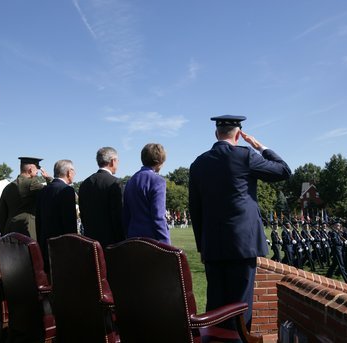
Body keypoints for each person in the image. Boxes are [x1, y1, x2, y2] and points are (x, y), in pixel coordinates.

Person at [189, 115, 291, 333]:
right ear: (238, 134)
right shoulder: (245, 155)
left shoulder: (198, 163)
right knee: (241, 306)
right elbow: (283, 171)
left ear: (216, 134)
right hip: (242, 245)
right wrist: (260, 146)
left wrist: (202, 246)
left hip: (212, 245)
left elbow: (195, 209)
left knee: (215, 305)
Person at [36, 159, 77, 271]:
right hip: (62, 247)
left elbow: (38, 221)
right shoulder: (67, 190)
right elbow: (70, 223)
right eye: (74, 171)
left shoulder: (42, 191)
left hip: (45, 246)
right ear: (69, 172)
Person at [79, 147, 125, 247]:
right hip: (111, 243)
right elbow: (118, 216)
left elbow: (83, 215)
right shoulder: (115, 183)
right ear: (113, 161)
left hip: (90, 242)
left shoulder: (85, 184)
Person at [123, 143, 169, 243]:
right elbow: (158, 216)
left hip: (133, 238)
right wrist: (166, 243)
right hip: (152, 241)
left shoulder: (130, 181)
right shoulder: (158, 181)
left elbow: (126, 214)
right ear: (159, 161)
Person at [0, 157, 52, 239]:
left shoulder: (8, 187)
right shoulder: (31, 183)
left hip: (9, 230)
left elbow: (1, 213)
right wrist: (48, 179)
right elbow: (51, 192)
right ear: (30, 170)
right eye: (37, 169)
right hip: (28, 229)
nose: (37, 172)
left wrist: (4, 231)